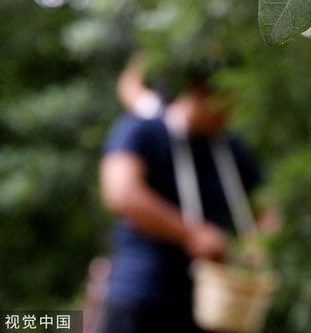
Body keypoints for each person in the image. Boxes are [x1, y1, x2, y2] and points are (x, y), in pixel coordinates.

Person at [98, 63, 270, 333]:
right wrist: (191, 234)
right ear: (200, 93)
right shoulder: (144, 131)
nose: (230, 115)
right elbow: (121, 193)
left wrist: (257, 245)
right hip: (143, 297)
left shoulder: (233, 149)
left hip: (210, 304)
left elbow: (266, 208)